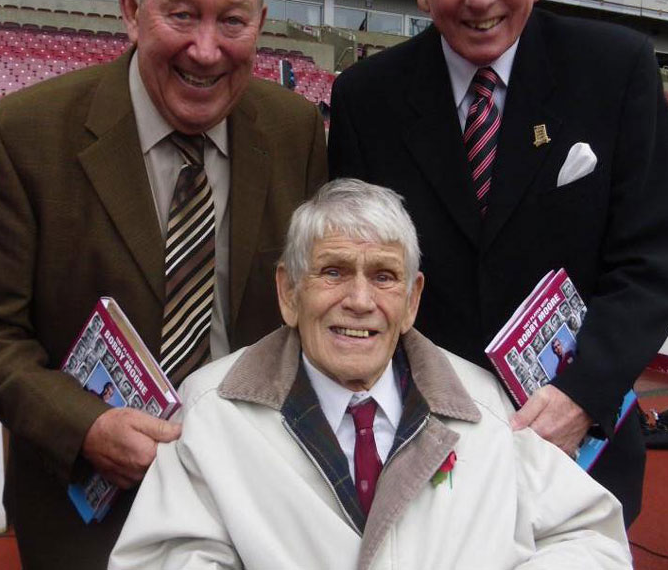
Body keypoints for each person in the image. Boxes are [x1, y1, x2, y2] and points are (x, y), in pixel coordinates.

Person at [0, 0, 326, 569]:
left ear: (261, 24)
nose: (207, 49)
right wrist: (87, 427)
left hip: (256, 505)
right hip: (89, 513)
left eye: (233, 20)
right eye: (181, 13)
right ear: (131, 7)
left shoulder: (296, 132)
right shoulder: (23, 137)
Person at [328, 0, 668, 526]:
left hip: (580, 448)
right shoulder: (365, 100)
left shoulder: (618, 72)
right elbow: (358, 278)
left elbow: (652, 261)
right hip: (425, 453)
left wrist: (584, 393)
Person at [108, 179, 631, 570]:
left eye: (384, 277)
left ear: (412, 300)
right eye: (333, 271)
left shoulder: (484, 406)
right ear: (288, 292)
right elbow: (162, 560)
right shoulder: (210, 412)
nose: (359, 302)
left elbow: (591, 538)